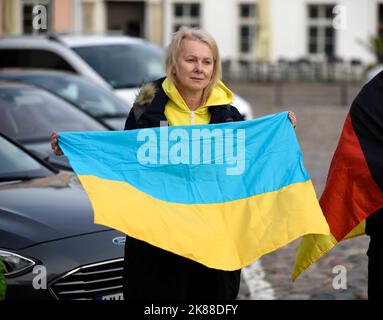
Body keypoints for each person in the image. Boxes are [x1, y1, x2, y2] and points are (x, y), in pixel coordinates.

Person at [51, 26, 296, 300]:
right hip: (158, 244)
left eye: (207, 62)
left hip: (213, 241)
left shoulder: (229, 116)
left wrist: (277, 132)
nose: (199, 68)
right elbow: (124, 158)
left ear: (214, 67)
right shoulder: (146, 110)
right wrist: (75, 147)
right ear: (174, 64)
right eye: (191, 60)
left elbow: (244, 167)